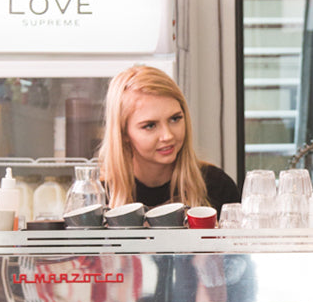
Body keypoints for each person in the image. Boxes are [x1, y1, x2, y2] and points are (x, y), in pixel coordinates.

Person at [97, 65, 239, 214]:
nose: (168, 136)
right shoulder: (99, 195)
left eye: (175, 119)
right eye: (150, 126)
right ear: (123, 133)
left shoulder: (217, 186)